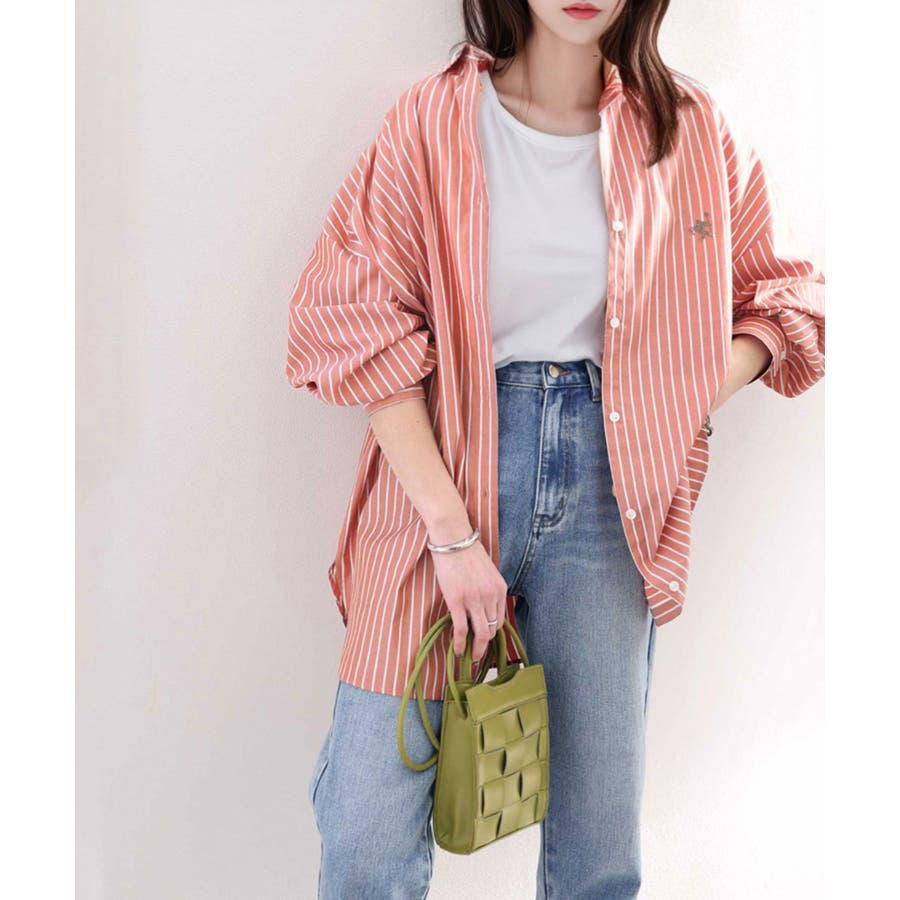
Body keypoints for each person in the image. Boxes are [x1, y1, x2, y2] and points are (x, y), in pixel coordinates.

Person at [285, 2, 825, 897]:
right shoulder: (433, 120)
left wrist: (679, 393)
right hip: (442, 477)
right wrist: (452, 536)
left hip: (613, 499)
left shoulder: (689, 130)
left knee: (596, 853)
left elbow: (787, 298)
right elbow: (354, 322)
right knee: (365, 835)